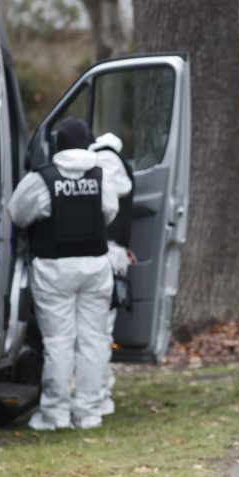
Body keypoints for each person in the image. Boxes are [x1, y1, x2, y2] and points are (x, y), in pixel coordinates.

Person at [9, 117, 118, 431]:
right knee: (94, 341)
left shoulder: (42, 179)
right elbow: (109, 213)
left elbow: (17, 213)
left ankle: (55, 413)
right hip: (96, 267)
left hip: (54, 268)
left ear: (58, 144)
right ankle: (89, 413)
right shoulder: (101, 175)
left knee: (58, 342)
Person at [90, 132, 135, 417]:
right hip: (114, 256)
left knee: (94, 332)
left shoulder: (102, 164)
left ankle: (96, 395)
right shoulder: (122, 168)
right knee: (102, 331)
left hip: (101, 255)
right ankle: (100, 393)